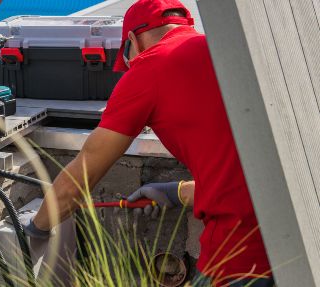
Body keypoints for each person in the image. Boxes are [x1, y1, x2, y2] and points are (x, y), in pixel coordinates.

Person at [23, 0, 275, 286]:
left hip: (241, 245)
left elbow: (81, 177)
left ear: (132, 40)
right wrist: (178, 192)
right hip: (294, 225)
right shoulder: (221, 50)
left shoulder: (149, 67)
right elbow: (236, 162)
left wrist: (36, 229)